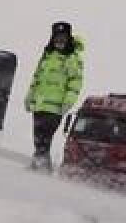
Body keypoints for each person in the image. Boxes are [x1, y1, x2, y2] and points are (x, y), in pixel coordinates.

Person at [24, 21, 85, 171]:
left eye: (63, 38)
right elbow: (36, 78)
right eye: (57, 37)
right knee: (38, 137)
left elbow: (75, 82)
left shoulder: (72, 58)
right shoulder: (47, 55)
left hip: (55, 107)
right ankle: (40, 163)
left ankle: (41, 164)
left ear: (68, 39)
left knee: (45, 137)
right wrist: (29, 97)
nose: (59, 41)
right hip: (39, 104)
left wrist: (68, 102)